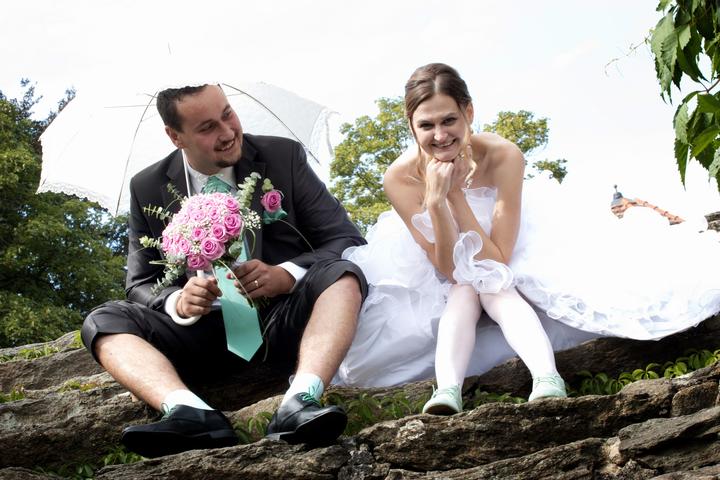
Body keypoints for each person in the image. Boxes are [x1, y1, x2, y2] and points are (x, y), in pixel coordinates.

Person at [333, 63, 720, 412]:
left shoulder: (503, 155)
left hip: (506, 249)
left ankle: (546, 378)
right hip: (443, 269)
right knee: (464, 289)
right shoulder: (399, 178)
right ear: (411, 125)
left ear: (469, 112)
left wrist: (456, 197)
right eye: (426, 125)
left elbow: (497, 258)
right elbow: (448, 268)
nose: (440, 135)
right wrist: (436, 202)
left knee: (493, 285)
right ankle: (448, 390)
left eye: (449, 120)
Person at [81, 84, 368, 457]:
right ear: (175, 136)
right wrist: (177, 303)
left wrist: (285, 275)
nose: (228, 132)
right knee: (102, 320)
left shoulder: (282, 156)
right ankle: (189, 412)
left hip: (284, 319)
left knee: (342, 275)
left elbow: (345, 238)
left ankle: (300, 400)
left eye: (228, 114)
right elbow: (140, 284)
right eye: (207, 127)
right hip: (200, 336)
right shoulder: (147, 186)